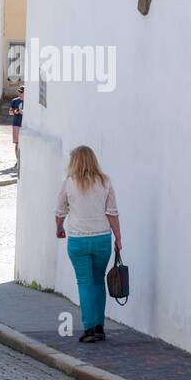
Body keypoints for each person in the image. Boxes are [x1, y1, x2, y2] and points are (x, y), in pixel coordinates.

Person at [55, 145, 122, 343]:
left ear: (75, 162)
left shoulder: (69, 183)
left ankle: (89, 329)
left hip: (78, 241)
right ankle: (100, 327)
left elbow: (60, 211)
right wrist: (118, 238)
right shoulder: (105, 182)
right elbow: (112, 213)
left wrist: (59, 228)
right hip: (102, 239)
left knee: (85, 283)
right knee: (98, 281)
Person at [9, 85, 24, 161]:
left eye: (21, 92)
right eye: (19, 91)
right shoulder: (14, 100)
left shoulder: (29, 102)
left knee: (24, 144)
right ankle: (17, 160)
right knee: (17, 144)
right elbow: (10, 112)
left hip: (24, 125)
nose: (20, 93)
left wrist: (23, 112)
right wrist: (15, 111)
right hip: (16, 124)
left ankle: (23, 160)